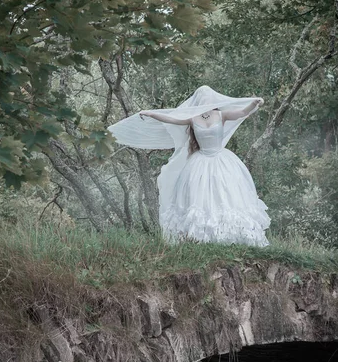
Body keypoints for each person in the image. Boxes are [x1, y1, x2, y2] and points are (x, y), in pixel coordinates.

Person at [108, 85, 270, 246]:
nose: (206, 100)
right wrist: (151, 113)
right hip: (200, 162)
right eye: (202, 98)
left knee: (224, 193)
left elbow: (242, 112)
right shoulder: (193, 118)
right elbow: (171, 118)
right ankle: (200, 238)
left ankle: (230, 236)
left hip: (221, 160)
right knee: (198, 196)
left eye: (209, 97)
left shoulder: (221, 115)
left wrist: (254, 103)